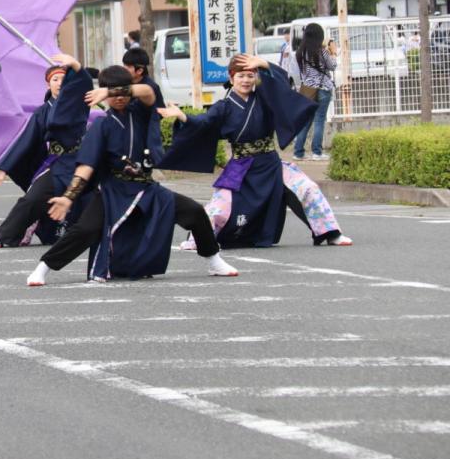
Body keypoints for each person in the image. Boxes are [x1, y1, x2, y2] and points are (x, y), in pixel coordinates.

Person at [24, 65, 239, 286]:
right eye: (110, 92)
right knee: (85, 230)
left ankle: (214, 260)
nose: (118, 97)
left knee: (193, 211)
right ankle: (43, 268)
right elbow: (86, 166)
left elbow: (148, 92)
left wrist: (110, 90)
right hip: (113, 190)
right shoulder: (101, 125)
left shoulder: (141, 113)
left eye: (122, 91)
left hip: (145, 188)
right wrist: (69, 197)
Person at [158, 54, 353, 250]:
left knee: (307, 188)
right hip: (240, 166)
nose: (245, 80)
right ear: (231, 77)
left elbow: (282, 85)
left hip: (270, 162)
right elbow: (204, 123)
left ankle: (330, 233)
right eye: (241, 76)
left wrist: (264, 64)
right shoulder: (223, 106)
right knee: (220, 207)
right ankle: (198, 239)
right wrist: (183, 116)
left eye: (250, 75)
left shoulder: (264, 98)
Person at [0, 55, 94, 248]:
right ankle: (4, 236)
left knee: (93, 199)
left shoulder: (79, 101)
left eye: (64, 79)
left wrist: (77, 66)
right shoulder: (42, 112)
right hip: (57, 163)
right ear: (48, 84)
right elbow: (26, 140)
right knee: (33, 198)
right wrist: (4, 168)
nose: (60, 83)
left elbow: (84, 83)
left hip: (80, 161)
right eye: (55, 80)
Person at [292, 23, 337, 161]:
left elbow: (300, 72)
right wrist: (333, 52)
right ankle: (317, 152)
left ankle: (298, 152)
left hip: (307, 90)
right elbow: (332, 66)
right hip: (323, 89)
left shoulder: (300, 52)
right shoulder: (322, 51)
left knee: (306, 120)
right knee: (319, 120)